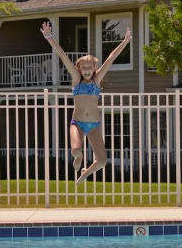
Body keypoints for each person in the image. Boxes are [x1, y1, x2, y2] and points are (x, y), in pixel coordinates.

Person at [40, 21, 132, 184]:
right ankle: (79, 157)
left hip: (94, 125)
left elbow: (111, 58)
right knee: (76, 151)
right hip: (77, 124)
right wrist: (49, 37)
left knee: (102, 161)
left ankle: (85, 173)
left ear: (94, 67)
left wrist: (124, 42)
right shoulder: (77, 80)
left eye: (90, 67)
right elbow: (63, 56)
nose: (87, 70)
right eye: (84, 68)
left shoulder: (97, 81)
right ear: (79, 69)